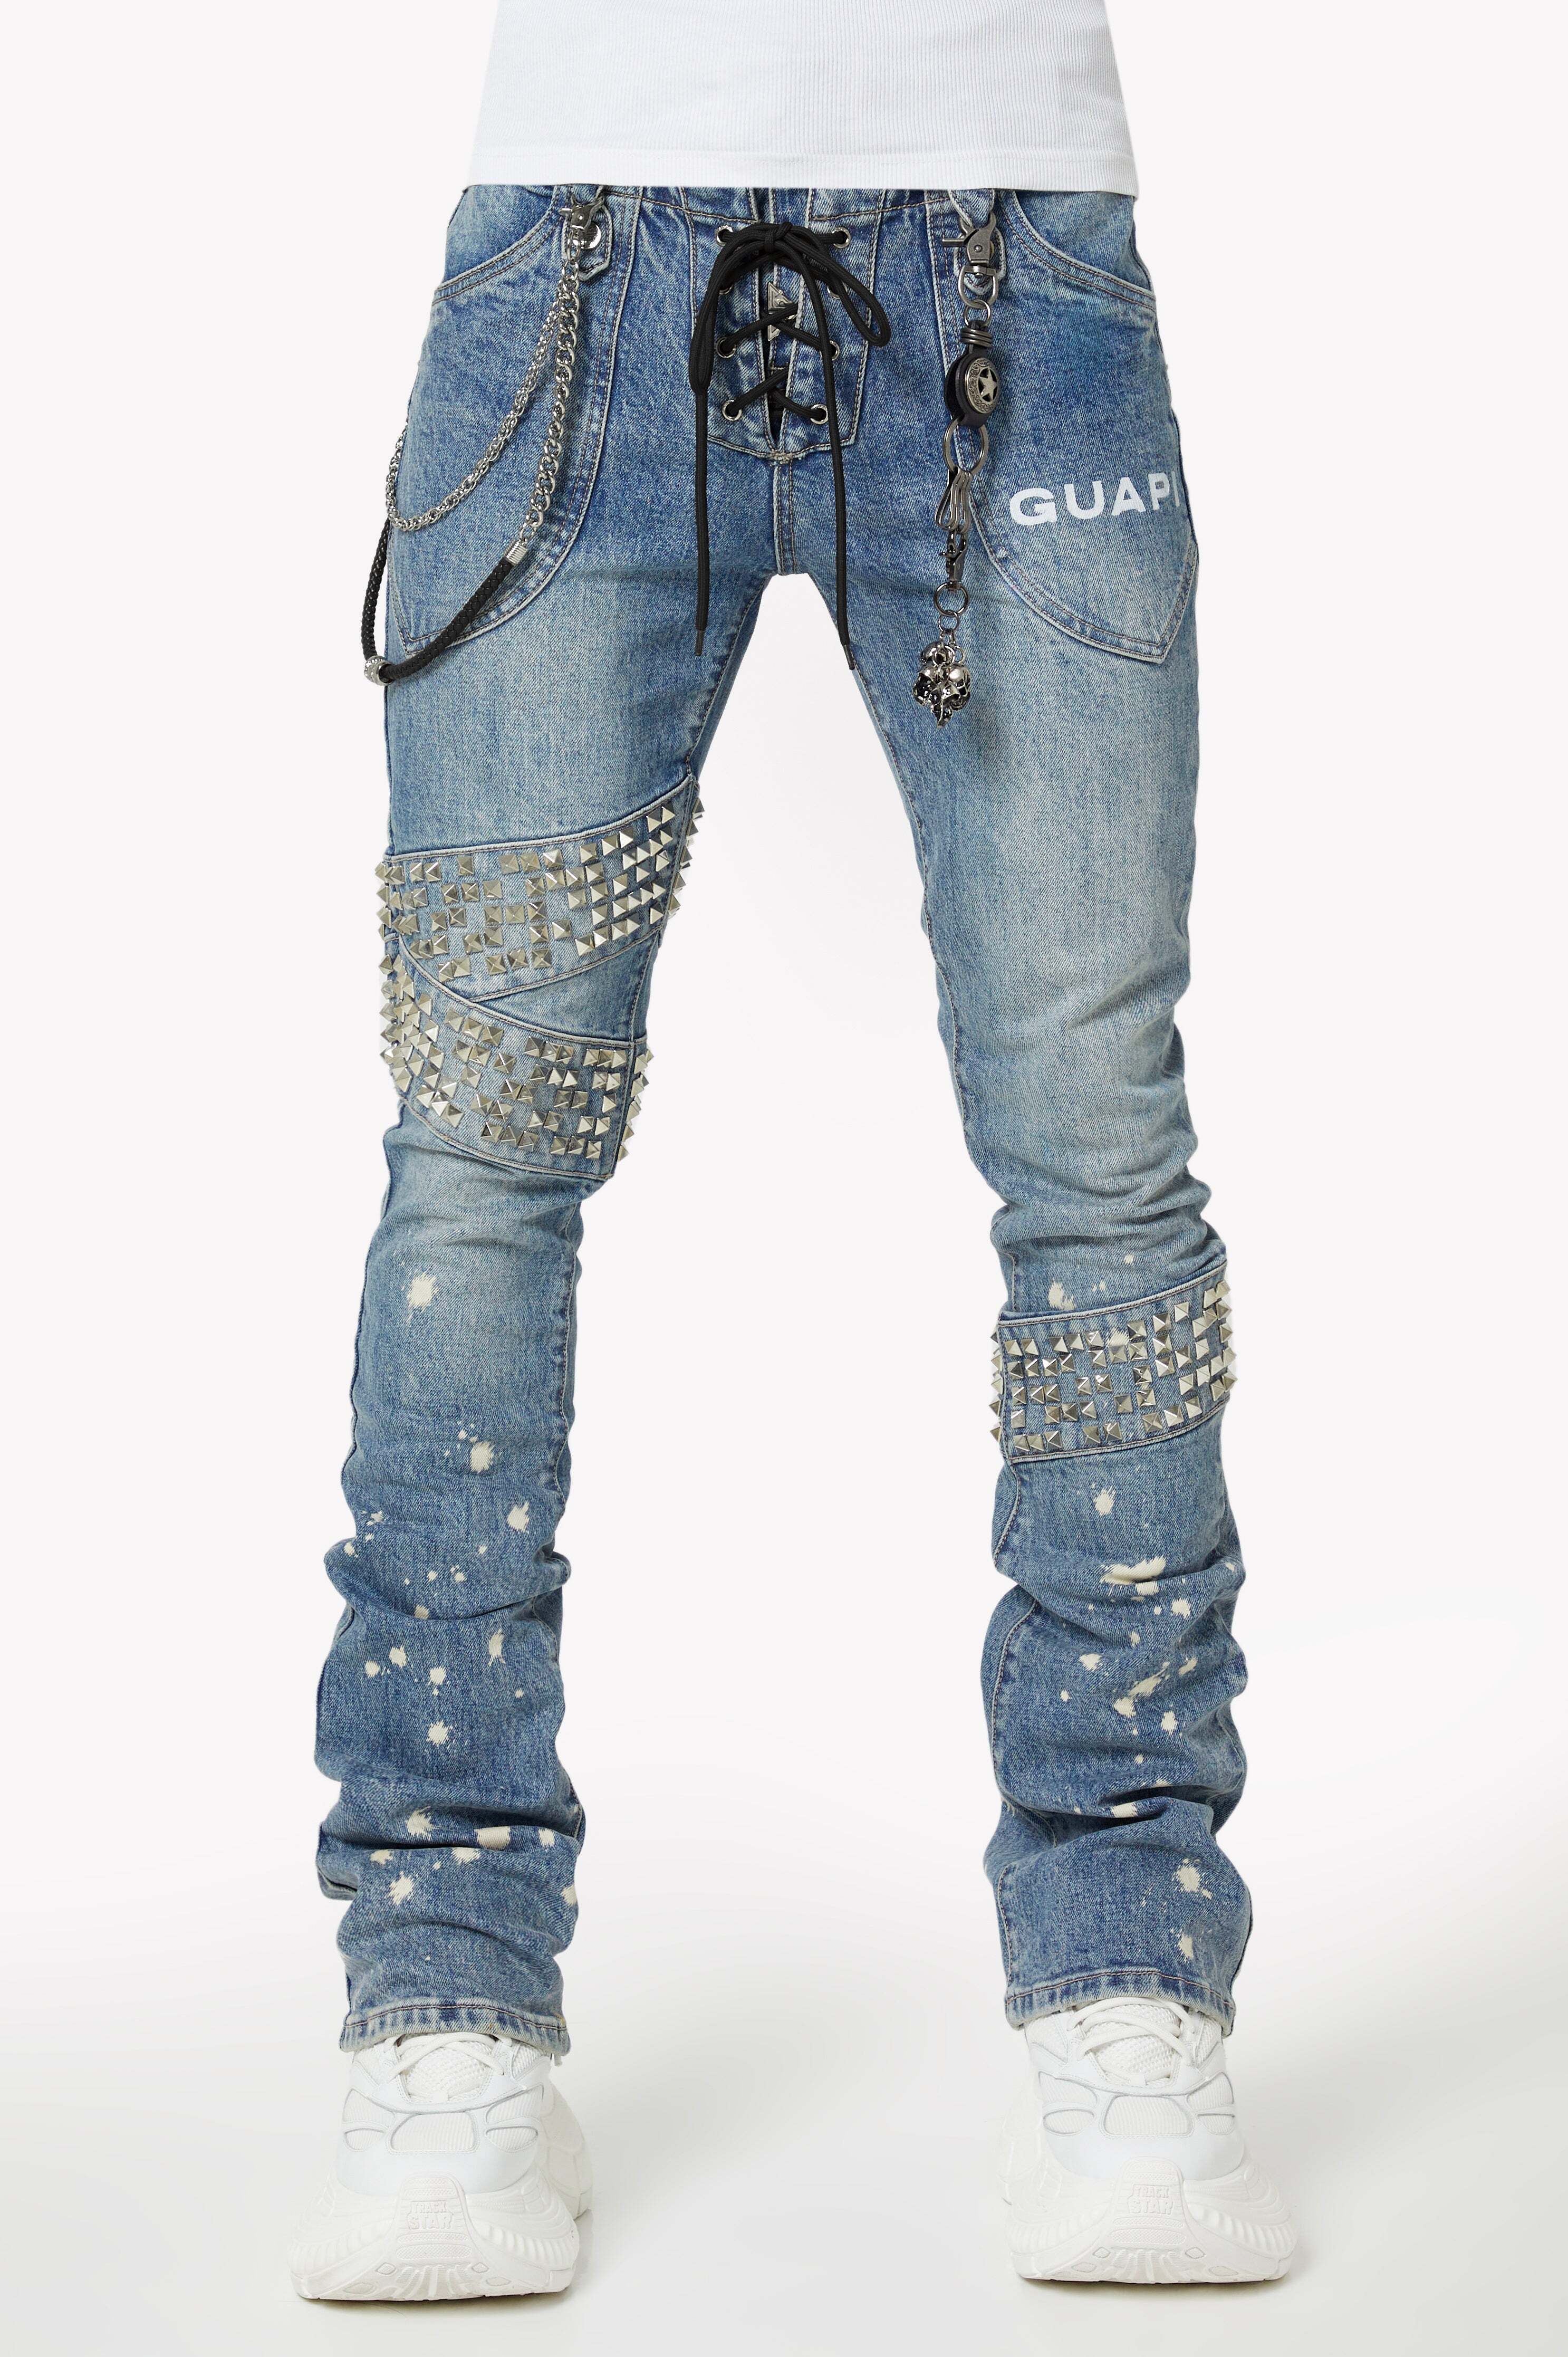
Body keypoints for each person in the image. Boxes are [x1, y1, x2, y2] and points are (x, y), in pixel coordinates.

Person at [291, 0, 1296, 2299]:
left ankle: (1133, 1985)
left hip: (1018, 265)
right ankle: (440, 2007)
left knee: (1096, 1150)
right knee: (481, 1156)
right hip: (575, 271)